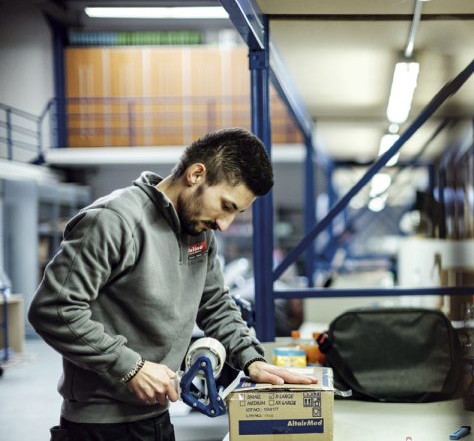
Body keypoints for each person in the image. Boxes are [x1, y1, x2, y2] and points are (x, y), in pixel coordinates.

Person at [28, 128, 315, 441]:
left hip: (157, 417)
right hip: (100, 426)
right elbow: (54, 308)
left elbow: (215, 305)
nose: (224, 224)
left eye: (237, 213)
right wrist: (130, 366)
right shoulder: (114, 221)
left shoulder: (200, 233)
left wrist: (251, 359)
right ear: (196, 174)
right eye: (227, 206)